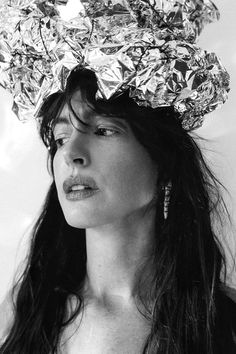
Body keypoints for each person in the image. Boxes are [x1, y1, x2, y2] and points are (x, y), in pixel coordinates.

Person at [0, 1, 236, 353]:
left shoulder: (224, 323)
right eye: (61, 138)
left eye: (103, 131)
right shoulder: (23, 313)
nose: (70, 154)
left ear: (164, 160)